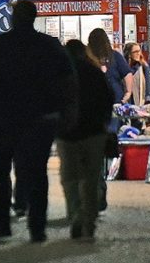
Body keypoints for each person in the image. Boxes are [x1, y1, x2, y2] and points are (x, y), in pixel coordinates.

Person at [0, 0, 76, 243]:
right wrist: (69, 112)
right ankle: (37, 227)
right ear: (34, 17)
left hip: (3, 118)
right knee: (37, 173)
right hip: (40, 119)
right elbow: (69, 82)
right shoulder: (49, 45)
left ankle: (1, 223)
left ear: (14, 17)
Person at [57, 40, 115, 241]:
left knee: (70, 178)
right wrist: (104, 123)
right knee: (90, 180)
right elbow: (108, 99)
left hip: (68, 134)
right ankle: (88, 221)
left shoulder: (61, 74)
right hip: (94, 133)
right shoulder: (95, 72)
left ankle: (75, 215)